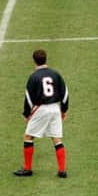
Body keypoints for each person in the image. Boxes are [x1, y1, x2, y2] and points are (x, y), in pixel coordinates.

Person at [14, 49, 69, 178]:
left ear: (34, 60)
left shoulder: (33, 77)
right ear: (46, 59)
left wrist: (27, 114)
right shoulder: (56, 74)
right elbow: (65, 93)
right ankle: (62, 170)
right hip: (55, 108)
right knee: (56, 139)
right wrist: (63, 110)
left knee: (28, 137)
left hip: (41, 109)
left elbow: (28, 97)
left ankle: (27, 169)